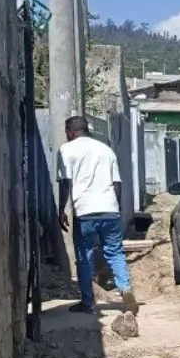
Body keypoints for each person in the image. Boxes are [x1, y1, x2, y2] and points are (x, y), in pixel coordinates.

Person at [57, 116, 139, 316]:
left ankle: (88, 302)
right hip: (109, 209)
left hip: (85, 212)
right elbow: (117, 183)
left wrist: (62, 210)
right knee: (115, 252)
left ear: (71, 132)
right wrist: (116, 208)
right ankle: (125, 289)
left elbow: (65, 182)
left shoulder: (66, 150)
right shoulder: (106, 150)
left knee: (84, 257)